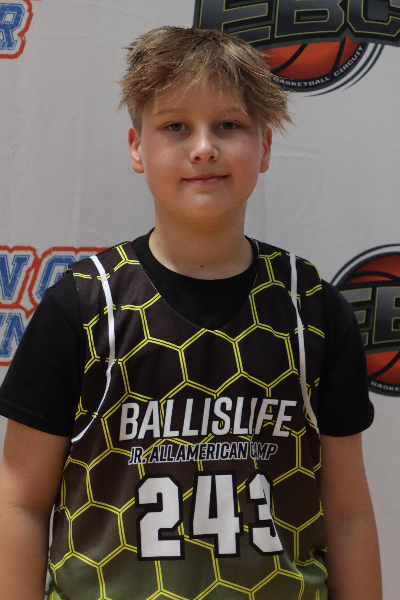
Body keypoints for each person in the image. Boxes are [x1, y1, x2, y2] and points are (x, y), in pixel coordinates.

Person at [0, 26, 381, 600]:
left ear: (265, 147)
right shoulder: (83, 305)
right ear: (137, 147)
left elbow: (348, 515)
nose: (203, 147)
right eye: (175, 126)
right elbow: (20, 503)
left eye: (228, 125)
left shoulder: (312, 310)